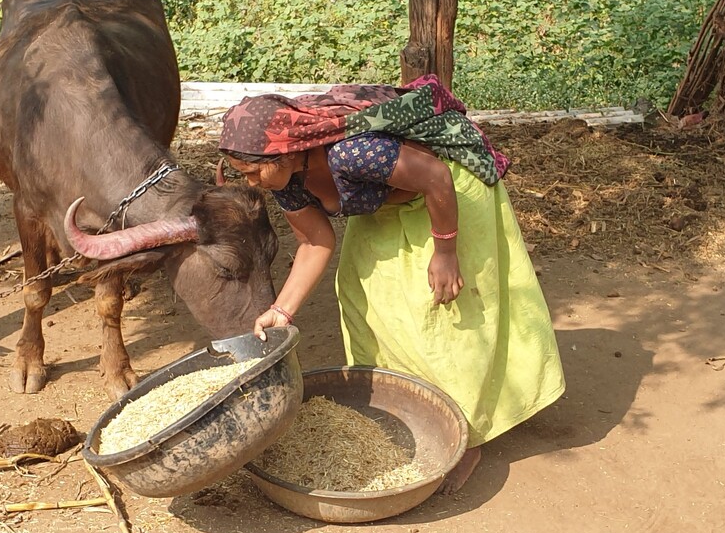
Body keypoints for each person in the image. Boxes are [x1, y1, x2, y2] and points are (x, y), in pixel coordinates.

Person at [218, 75, 565, 493]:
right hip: (388, 198)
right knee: (362, 292)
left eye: (254, 172)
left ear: (288, 151)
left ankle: (465, 435)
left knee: (439, 310)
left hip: (447, 195)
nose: (252, 183)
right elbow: (314, 242)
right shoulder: (286, 181)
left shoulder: (352, 153)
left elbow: (437, 178)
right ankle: (396, 403)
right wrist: (282, 311)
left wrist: (446, 253)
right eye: (244, 174)